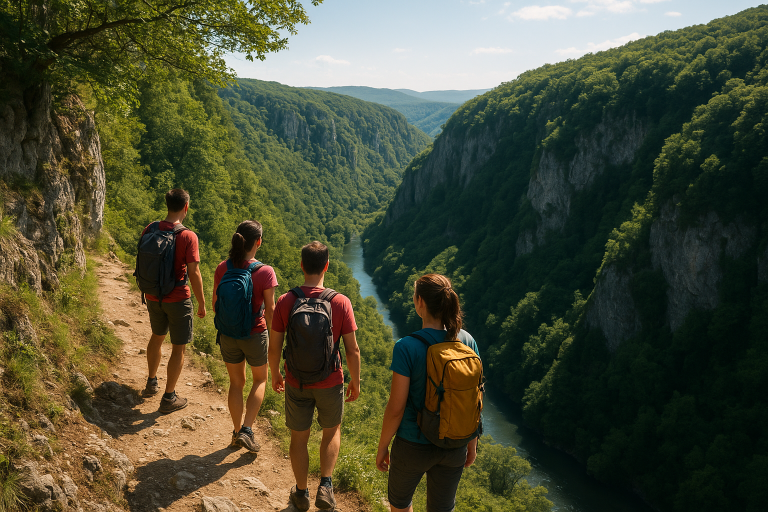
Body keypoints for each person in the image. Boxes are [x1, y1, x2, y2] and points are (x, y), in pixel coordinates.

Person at [269, 241, 361, 511]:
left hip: (296, 380)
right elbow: (352, 349)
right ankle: (326, 486)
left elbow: (274, 346)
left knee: (299, 437)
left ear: (301, 265)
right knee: (331, 432)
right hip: (330, 381)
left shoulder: (286, 301)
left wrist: (275, 373)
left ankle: (300, 493)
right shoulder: (340, 302)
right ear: (327, 266)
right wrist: (355, 380)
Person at [376, 274, 480, 512]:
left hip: (412, 444)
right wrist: (471, 443)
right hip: (454, 445)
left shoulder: (406, 347)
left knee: (400, 505)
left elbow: (396, 408)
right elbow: (473, 399)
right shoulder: (467, 341)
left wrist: (383, 447)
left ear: (420, 302)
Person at [212, 220, 278, 453]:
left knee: (236, 383)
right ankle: (247, 430)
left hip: (228, 334)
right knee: (260, 380)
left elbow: (215, 304)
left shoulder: (223, 267)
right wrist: (275, 341)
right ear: (258, 242)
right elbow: (270, 311)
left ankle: (235, 431)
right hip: (255, 334)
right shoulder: (265, 271)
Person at [141, 188, 206, 414]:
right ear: (186, 207)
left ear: (167, 204)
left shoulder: (151, 228)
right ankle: (169, 397)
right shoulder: (188, 236)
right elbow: (194, 273)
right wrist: (202, 303)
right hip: (177, 298)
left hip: (152, 294)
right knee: (178, 348)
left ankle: (151, 382)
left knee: (157, 336)